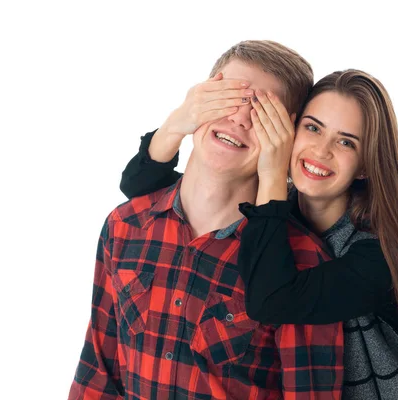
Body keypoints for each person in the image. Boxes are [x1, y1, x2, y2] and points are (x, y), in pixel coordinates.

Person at [118, 70, 398, 398]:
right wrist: (177, 123)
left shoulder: (378, 256)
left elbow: (272, 301)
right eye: (312, 128)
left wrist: (271, 172)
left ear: (365, 166)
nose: (321, 150)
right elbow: (142, 190)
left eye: (346, 141)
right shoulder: (277, 216)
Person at [69, 40, 346, 400]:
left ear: (286, 136)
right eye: (228, 97)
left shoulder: (305, 264)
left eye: (263, 112)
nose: (240, 118)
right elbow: (97, 374)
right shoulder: (125, 225)